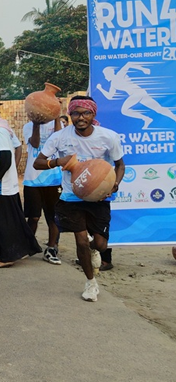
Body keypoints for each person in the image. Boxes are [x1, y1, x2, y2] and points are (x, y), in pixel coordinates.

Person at [35, 96, 124, 302]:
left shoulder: (108, 137)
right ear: (70, 115)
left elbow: (120, 165)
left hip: (98, 197)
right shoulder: (60, 137)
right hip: (70, 197)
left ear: (93, 114)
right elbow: (38, 162)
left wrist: (114, 184)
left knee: (100, 244)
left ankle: (95, 250)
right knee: (81, 240)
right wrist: (58, 161)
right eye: (75, 113)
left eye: (85, 113)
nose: (80, 117)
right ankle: (91, 283)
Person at [0, 104, 41, 268]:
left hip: (1, 187)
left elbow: (5, 156)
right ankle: (17, 249)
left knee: (3, 222)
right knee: (8, 220)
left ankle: (7, 256)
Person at [23, 116, 63, 265]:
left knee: (53, 217)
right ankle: (28, 246)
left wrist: (57, 117)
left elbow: (58, 139)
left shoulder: (58, 124)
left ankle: (51, 248)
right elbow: (35, 142)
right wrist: (36, 123)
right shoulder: (28, 126)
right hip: (33, 179)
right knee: (33, 217)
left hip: (54, 179)